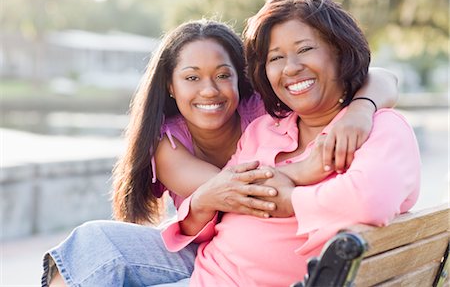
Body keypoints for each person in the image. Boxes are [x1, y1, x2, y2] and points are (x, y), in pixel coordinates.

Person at [42, 16, 399, 286]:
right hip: (209, 246)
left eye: (223, 75)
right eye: (192, 77)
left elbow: (383, 76)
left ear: (240, 77)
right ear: (170, 84)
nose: (209, 91)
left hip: (243, 256)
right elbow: (241, 192)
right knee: (90, 244)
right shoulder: (168, 144)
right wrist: (305, 171)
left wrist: (361, 108)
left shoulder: (262, 112)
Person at [161, 0, 421, 286]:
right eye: (276, 57)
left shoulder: (379, 127)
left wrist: (291, 199)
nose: (291, 68)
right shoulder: (263, 129)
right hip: (207, 274)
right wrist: (301, 171)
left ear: (340, 51)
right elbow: (229, 198)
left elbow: (368, 201)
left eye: (305, 49)